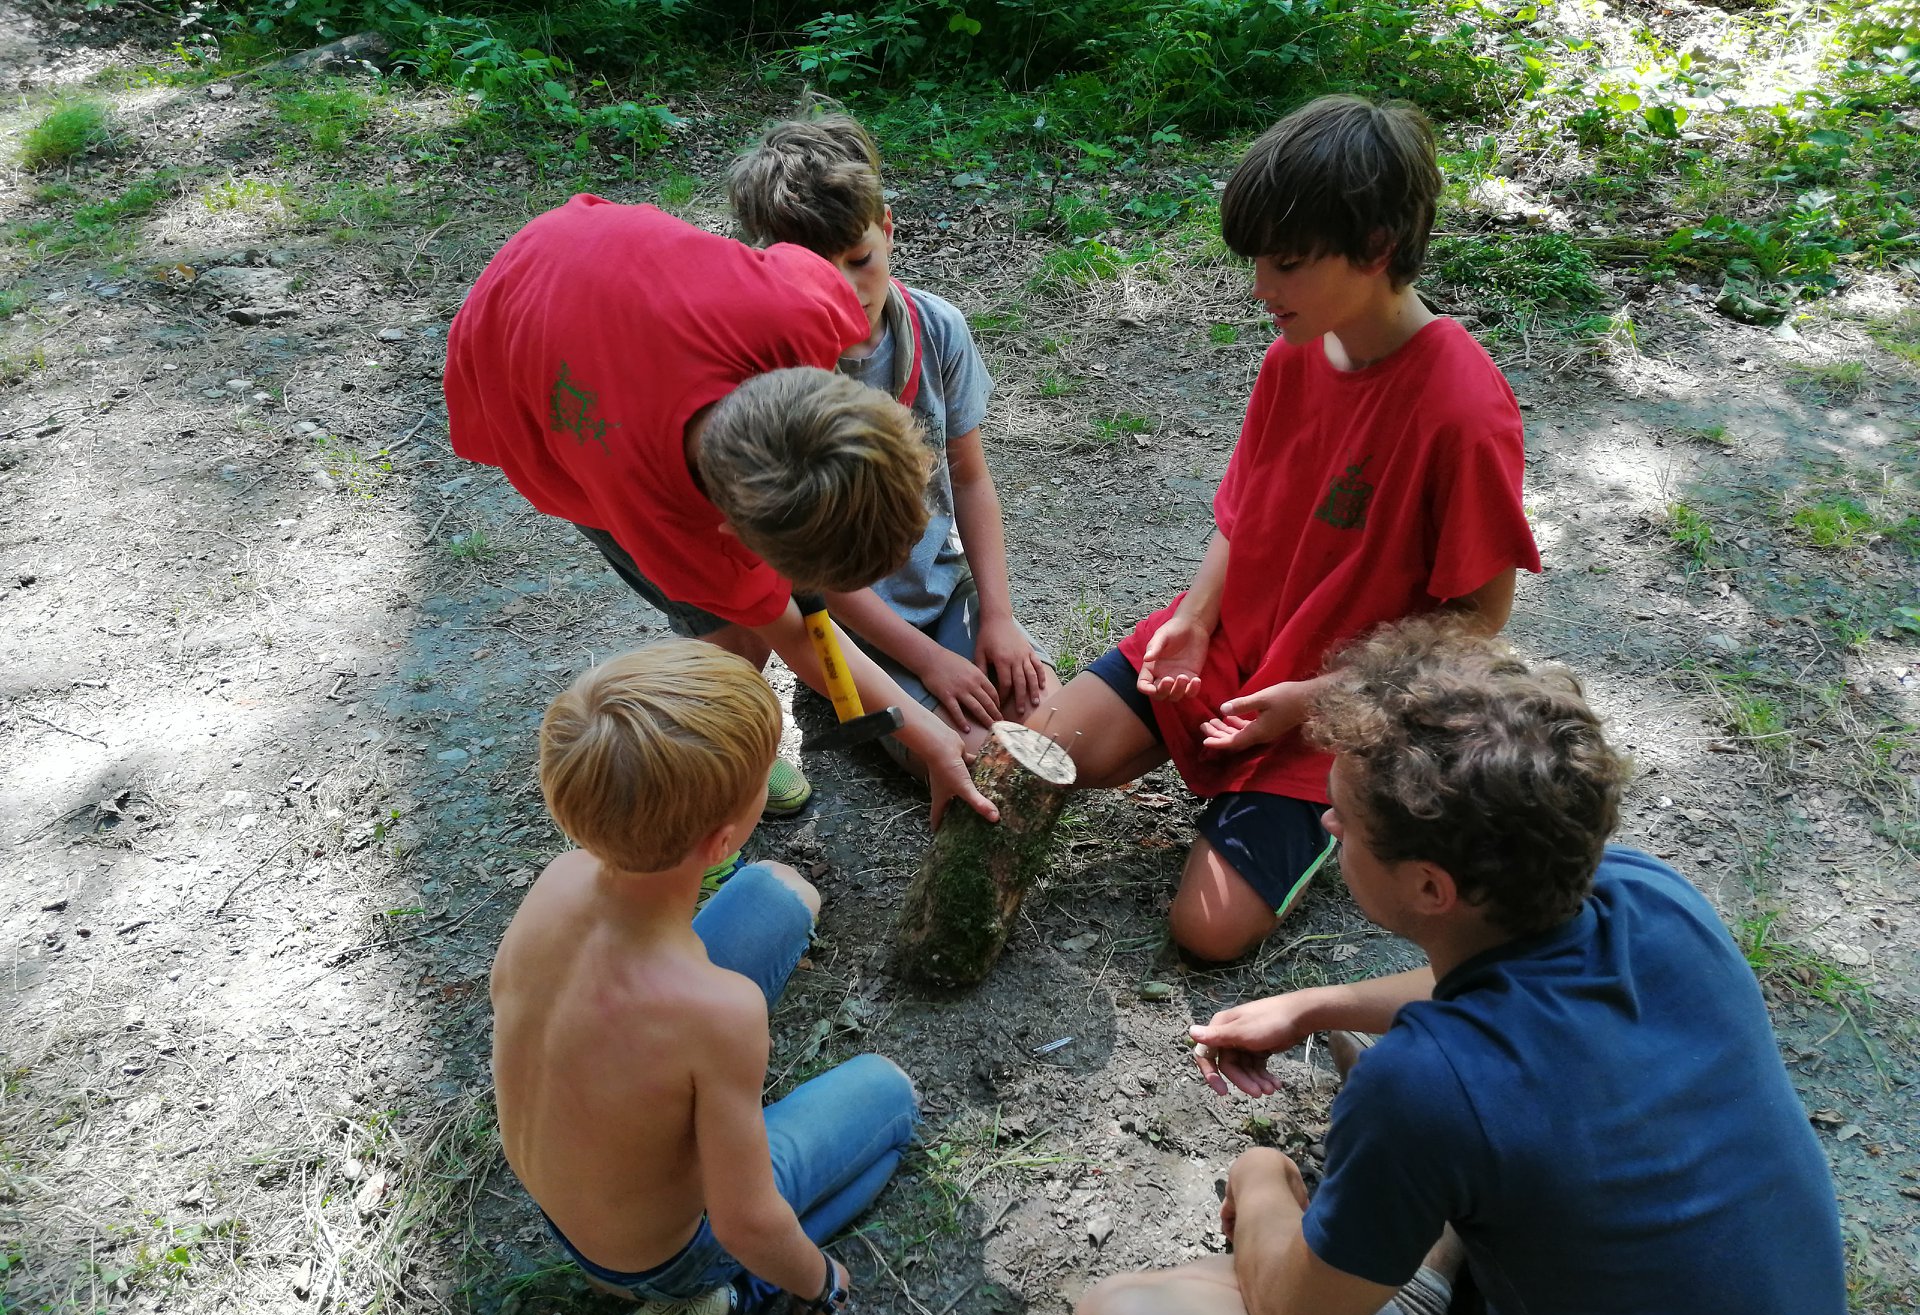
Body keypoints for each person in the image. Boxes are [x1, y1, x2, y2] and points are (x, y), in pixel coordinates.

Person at [1072, 618, 1858, 1315]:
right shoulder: (1651, 895)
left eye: (1342, 818)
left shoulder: (1427, 1084)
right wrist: (1317, 1005)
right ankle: (1428, 1286)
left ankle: (1413, 1302)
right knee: (1423, 1094)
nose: (1330, 829)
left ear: (1429, 886)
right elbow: (1493, 994)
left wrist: (1263, 1175)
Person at [1040, 95, 1541, 963]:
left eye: (1288, 264)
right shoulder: (1293, 352)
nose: (1261, 290)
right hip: (1233, 646)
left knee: (1207, 932)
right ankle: (1217, 775)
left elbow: (1478, 620)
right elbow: (1243, 517)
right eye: (1257, 262)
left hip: (1342, 703)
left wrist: (1312, 703)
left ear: (1377, 248)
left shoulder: (1460, 407)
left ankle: (1318, 815)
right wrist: (1193, 620)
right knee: (1043, 754)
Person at [445, 194, 998, 835]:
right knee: (727, 627)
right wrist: (929, 734)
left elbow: (794, 602)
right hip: (516, 347)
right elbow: (795, 634)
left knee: (746, 606)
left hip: (596, 253)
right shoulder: (664, 521)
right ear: (729, 533)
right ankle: (720, 736)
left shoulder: (809, 306)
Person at [490, 642, 921, 1315]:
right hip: (662, 1258)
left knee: (777, 891)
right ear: (722, 837)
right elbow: (744, 1220)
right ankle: (722, 1302)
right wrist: (821, 1283)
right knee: (892, 1098)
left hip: (568, 1203)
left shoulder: (557, 886)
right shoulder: (716, 1015)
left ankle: (700, 1285)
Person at [727, 113, 1058, 763]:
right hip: (844, 627)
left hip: (945, 588)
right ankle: (833, 699)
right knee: (969, 754)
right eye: (812, 274)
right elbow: (805, 568)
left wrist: (998, 616)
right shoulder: (772, 375)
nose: (845, 292)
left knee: (1050, 719)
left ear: (888, 231)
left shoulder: (938, 329)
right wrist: (930, 662)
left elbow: (969, 478)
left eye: (859, 261)